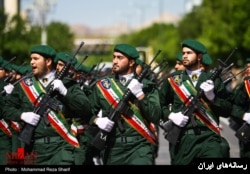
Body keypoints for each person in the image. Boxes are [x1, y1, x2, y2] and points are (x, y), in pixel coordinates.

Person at [2, 45, 92, 165]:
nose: (32, 62)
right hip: (34, 149)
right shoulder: (24, 85)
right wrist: (22, 115)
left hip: (61, 147)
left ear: (48, 61)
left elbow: (86, 109)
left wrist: (65, 92)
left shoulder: (68, 84)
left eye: (36, 59)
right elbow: (5, 109)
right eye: (31, 59)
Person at [159, 39, 231, 165]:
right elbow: (159, 105)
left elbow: (227, 109)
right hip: (183, 139)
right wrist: (171, 116)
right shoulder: (173, 79)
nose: (185, 56)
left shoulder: (212, 80)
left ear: (199, 57)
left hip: (209, 136)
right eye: (183, 53)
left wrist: (213, 98)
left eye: (189, 53)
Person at [88, 43, 161, 165]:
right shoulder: (102, 86)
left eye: (120, 57)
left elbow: (156, 115)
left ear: (131, 62)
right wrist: (97, 121)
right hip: (112, 148)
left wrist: (140, 94)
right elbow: (87, 112)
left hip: (140, 147)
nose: (115, 61)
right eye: (114, 57)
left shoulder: (147, 86)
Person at [230, 57, 250, 158]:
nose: (248, 69)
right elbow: (233, 105)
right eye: (247, 66)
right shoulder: (246, 85)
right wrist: (244, 115)